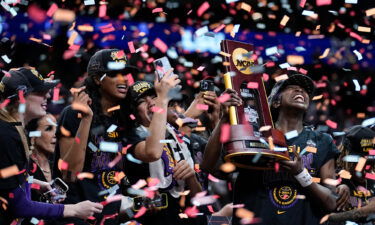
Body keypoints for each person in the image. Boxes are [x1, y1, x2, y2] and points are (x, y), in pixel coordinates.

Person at [203, 73, 341, 225]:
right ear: (275, 102)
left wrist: (301, 174)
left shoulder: (322, 141)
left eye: (305, 91)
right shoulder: (252, 134)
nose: (301, 91)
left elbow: (331, 202)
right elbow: (209, 166)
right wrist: (224, 118)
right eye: (292, 88)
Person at [0, 67, 103, 224]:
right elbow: (19, 206)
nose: (48, 95)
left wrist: (32, 183)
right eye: (40, 92)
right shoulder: (6, 136)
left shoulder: (10, 130)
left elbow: (6, 183)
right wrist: (72, 209)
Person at [53, 49, 140, 224]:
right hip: (78, 217)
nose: (123, 79)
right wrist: (86, 119)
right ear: (96, 79)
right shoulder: (73, 114)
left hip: (111, 218)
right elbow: (69, 173)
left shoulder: (124, 119)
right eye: (115, 73)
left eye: (126, 73)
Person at [123, 78, 204, 225]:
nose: (151, 103)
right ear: (133, 112)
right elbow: (152, 152)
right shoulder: (130, 138)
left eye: (154, 96)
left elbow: (200, 197)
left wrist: (191, 177)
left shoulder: (178, 136)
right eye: (142, 101)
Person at [328, 125, 375, 224]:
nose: (366, 168)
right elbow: (326, 219)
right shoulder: (331, 178)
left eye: (371, 162)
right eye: (358, 162)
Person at [25, 114, 57, 201]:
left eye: (56, 128)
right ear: (33, 138)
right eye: (49, 129)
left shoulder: (59, 164)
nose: (56, 134)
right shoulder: (25, 166)